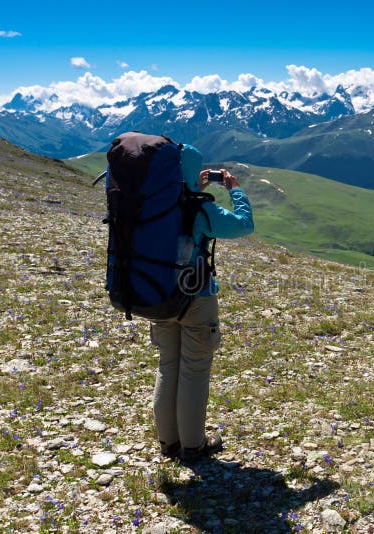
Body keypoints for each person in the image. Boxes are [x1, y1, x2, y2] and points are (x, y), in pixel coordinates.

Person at [150, 144, 254, 461]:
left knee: (168, 365)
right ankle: (194, 446)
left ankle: (169, 442)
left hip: (156, 293)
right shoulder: (198, 209)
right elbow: (244, 224)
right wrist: (235, 190)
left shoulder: (149, 201)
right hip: (196, 297)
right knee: (193, 371)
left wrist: (192, 186)